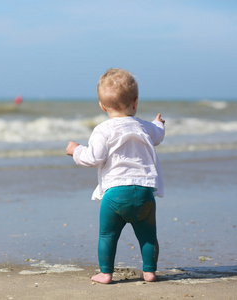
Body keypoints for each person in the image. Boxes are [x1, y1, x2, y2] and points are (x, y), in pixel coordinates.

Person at [66, 68, 165, 284]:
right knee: (148, 235)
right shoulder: (145, 126)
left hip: (115, 195)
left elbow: (93, 158)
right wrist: (158, 122)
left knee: (107, 236)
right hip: (145, 192)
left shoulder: (103, 130)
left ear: (102, 106)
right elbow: (158, 135)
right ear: (135, 102)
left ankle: (106, 273)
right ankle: (149, 272)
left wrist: (76, 150)